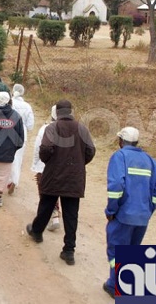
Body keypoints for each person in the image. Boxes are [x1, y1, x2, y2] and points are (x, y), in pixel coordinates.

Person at [26, 100, 96, 266]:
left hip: (54, 174)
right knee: (71, 214)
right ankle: (69, 251)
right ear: (71, 112)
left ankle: (37, 232)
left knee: (46, 205)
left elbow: (44, 149)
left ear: (57, 113)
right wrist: (80, 163)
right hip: (74, 177)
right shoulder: (82, 128)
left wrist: (48, 161)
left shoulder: (52, 127)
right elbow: (91, 151)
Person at [102, 126, 156, 299]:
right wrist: (148, 211)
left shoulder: (119, 157)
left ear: (121, 141)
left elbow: (115, 187)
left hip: (123, 216)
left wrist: (111, 210)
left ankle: (115, 286)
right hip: (142, 217)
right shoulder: (151, 161)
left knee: (116, 251)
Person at [31, 105, 61, 231]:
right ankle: (55, 215)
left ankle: (50, 216)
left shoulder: (45, 128)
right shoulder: (70, 130)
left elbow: (38, 147)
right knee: (55, 191)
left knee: (44, 193)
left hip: (44, 167)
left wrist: (35, 164)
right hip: (61, 167)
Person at [7, 84, 34, 195]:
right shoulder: (27, 106)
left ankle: (7, 180)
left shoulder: (9, 103)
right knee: (18, 159)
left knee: (8, 158)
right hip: (22, 134)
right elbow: (30, 125)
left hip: (7, 132)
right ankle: (14, 181)